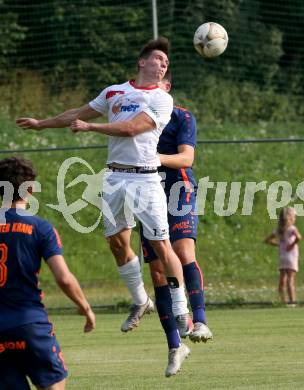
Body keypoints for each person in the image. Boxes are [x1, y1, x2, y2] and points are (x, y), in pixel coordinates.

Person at [16, 37, 189, 377]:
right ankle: (141, 300)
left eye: (166, 62)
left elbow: (133, 128)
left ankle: (181, 309)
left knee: (160, 245)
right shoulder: (113, 92)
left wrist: (92, 127)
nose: (163, 64)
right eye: (157, 59)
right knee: (116, 243)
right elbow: (77, 113)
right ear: (142, 63)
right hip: (114, 178)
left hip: (145, 179)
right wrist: (43, 123)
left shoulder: (161, 98)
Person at [0, 156, 96, 390]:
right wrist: (85, 307)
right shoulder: (40, 228)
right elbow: (63, 277)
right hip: (30, 324)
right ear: (30, 189)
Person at [140, 74, 213, 343]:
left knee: (183, 252)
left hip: (177, 189)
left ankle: (201, 321)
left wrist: (153, 158)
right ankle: (175, 343)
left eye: (155, 85)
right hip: (146, 193)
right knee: (158, 269)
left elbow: (186, 157)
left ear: (167, 88)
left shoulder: (182, 117)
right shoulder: (136, 119)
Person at [265, 207, 301, 306]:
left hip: (282, 256)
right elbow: (298, 237)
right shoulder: (292, 228)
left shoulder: (278, 230)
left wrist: (279, 245)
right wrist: (292, 245)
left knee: (282, 279)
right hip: (291, 256)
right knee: (290, 279)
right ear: (291, 218)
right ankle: (292, 302)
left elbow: (267, 240)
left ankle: (283, 301)